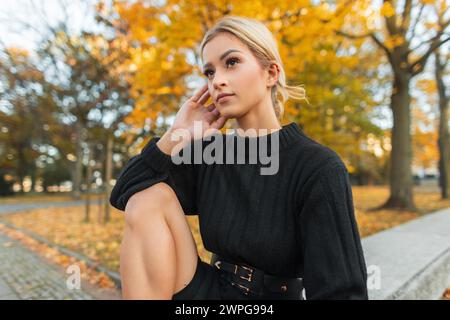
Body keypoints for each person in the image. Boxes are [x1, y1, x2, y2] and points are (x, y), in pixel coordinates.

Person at [110, 15, 369, 300]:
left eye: (231, 62)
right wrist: (176, 135)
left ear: (271, 73)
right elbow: (125, 193)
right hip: (207, 291)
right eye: (209, 72)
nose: (217, 81)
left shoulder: (317, 167)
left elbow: (342, 292)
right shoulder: (210, 153)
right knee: (149, 197)